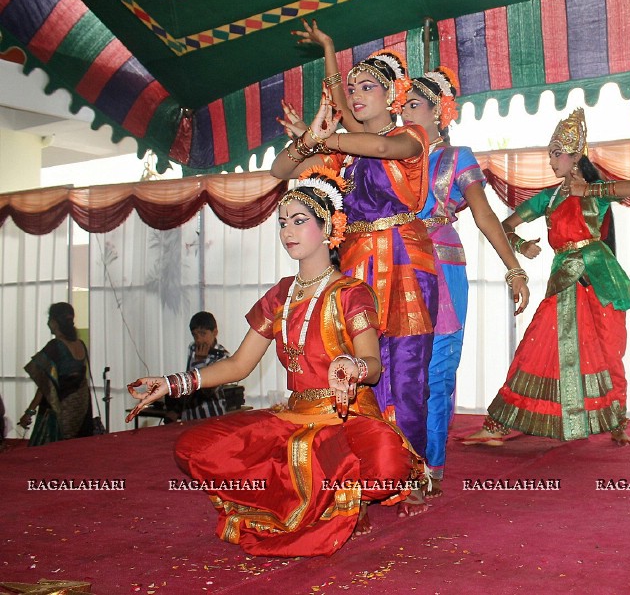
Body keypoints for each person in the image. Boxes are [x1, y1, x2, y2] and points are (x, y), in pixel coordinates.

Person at [126, 167, 424, 556]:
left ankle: (341, 496)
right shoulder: (280, 295)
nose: (288, 232)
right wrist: (172, 384)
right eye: (283, 223)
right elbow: (237, 365)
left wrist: (353, 366)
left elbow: (374, 363)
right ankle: (320, 496)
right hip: (295, 416)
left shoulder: (351, 292)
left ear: (329, 227)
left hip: (344, 417)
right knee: (193, 447)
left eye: (299, 222)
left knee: (387, 464)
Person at [273, 20, 436, 514]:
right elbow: (280, 173)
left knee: (405, 372)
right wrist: (327, 48)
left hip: (406, 260)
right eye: (352, 88)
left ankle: (410, 476)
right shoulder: (343, 154)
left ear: (392, 95)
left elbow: (380, 146)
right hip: (359, 260)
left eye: (369, 87)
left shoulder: (407, 138)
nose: (355, 95)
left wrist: (326, 140)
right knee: (355, 367)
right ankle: (359, 476)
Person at [463, 108, 630, 447]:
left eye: (556, 154)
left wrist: (587, 193)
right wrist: (520, 244)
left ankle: (616, 420)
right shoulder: (548, 198)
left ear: (576, 156)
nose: (551, 161)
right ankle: (499, 424)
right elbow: (506, 226)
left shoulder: (595, 191)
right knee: (536, 343)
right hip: (564, 279)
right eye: (550, 154)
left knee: (608, 349)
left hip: (599, 279)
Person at [401, 67, 531, 495]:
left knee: (435, 370)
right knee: (396, 366)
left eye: (414, 105)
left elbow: (484, 214)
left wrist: (512, 268)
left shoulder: (457, 158)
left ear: (440, 111)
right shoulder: (389, 156)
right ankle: (393, 460)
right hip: (394, 265)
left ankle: (430, 465)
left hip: (440, 266)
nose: (405, 114)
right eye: (401, 106)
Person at [18, 303, 95, 446]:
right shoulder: (81, 344)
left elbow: (45, 384)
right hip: (80, 406)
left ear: (54, 323)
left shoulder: (55, 346)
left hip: (58, 408)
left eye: (49, 319)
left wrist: (29, 411)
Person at [163, 311, 230, 422]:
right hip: (190, 416)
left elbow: (208, 390)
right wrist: (176, 410)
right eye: (195, 335)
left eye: (203, 334)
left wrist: (200, 362)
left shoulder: (222, 356)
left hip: (211, 416)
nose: (198, 339)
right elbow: (190, 383)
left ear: (215, 332)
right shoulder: (193, 348)